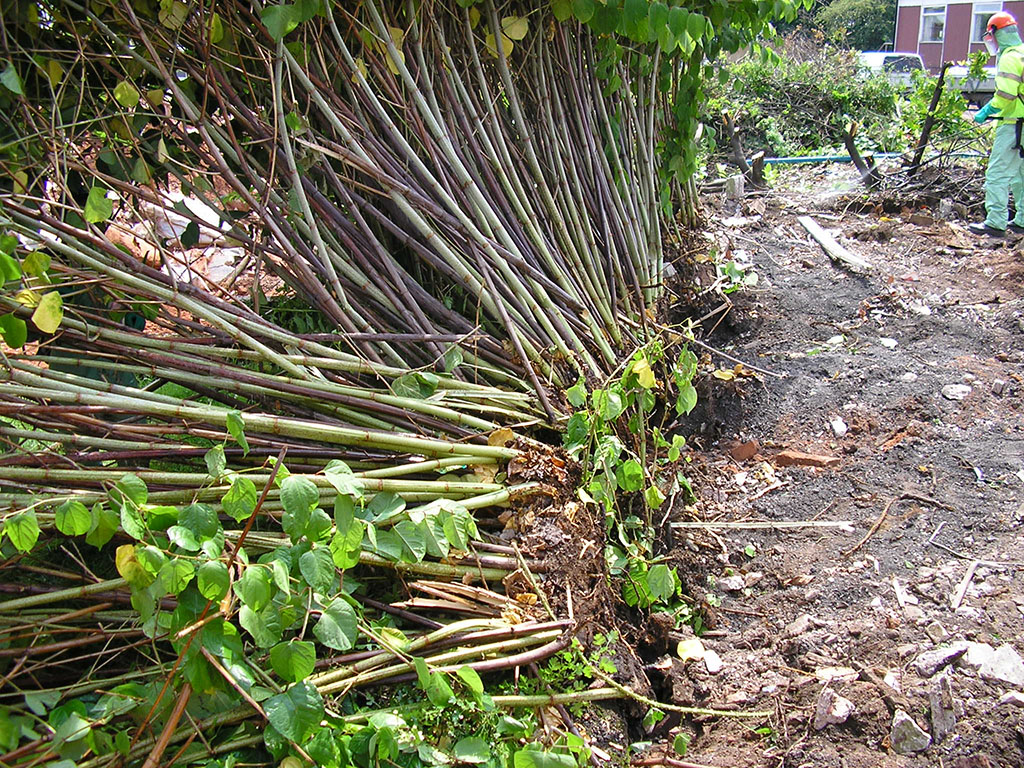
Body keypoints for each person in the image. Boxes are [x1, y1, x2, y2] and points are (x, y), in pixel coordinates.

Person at [969, 11, 1024, 236]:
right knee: (1021, 175)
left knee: (998, 174)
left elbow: (1006, 95)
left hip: (1013, 125)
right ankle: (1021, 220)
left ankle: (995, 223)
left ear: (995, 33)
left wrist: (987, 110)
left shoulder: (1010, 57)